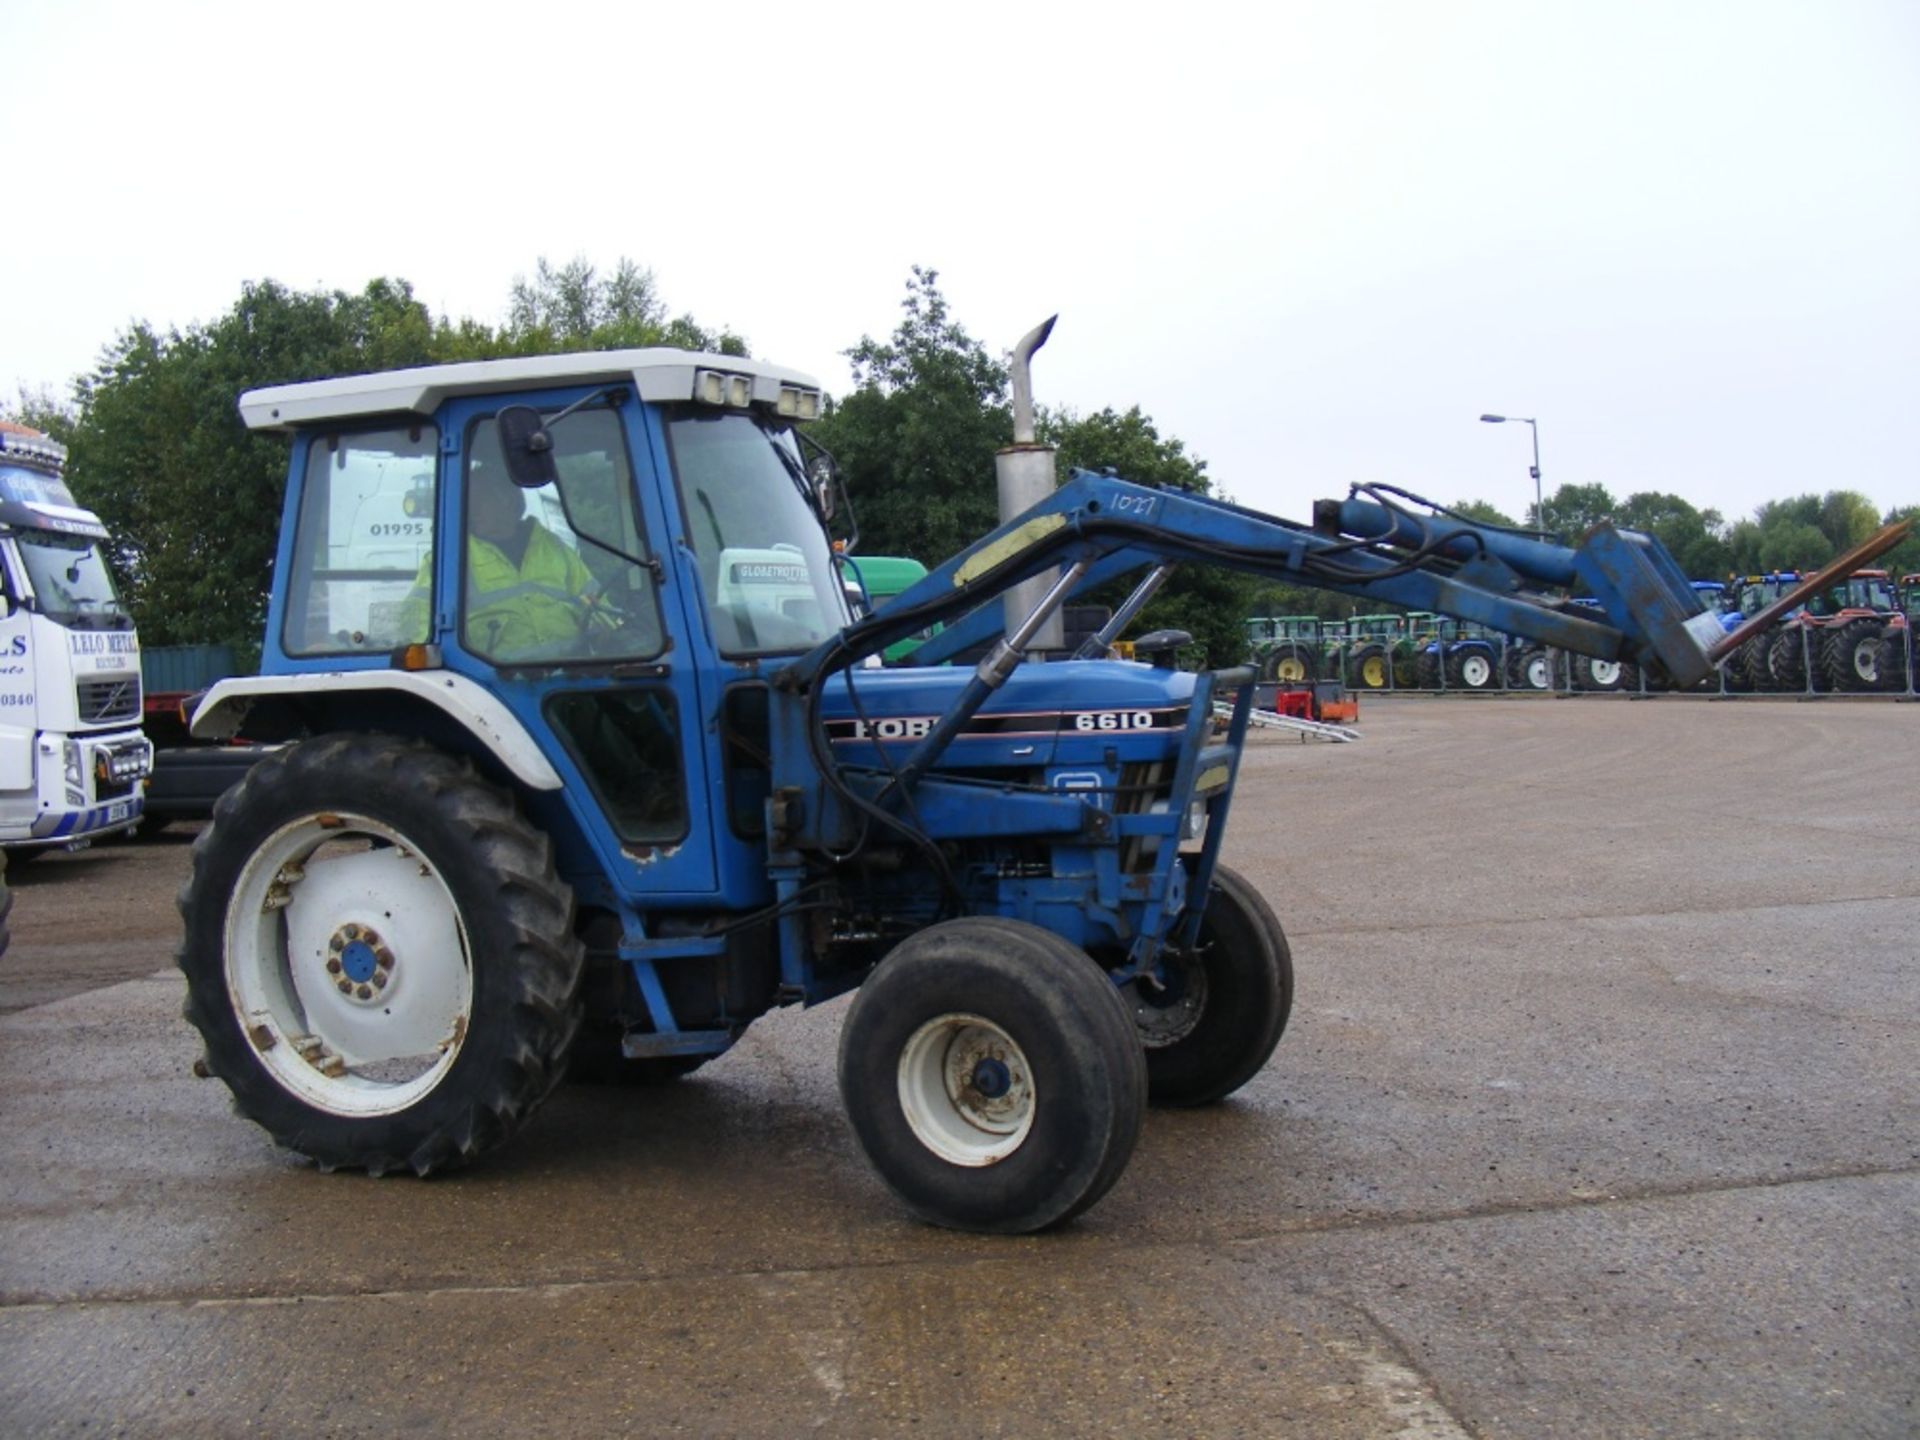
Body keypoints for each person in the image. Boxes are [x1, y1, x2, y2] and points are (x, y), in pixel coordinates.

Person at [399, 464, 606, 661]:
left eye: (479, 502)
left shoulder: (553, 548)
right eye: (468, 503)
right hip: (492, 681)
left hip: (568, 674)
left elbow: (598, 603)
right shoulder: (451, 557)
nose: (471, 511)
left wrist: (610, 636)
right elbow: (418, 619)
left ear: (507, 501)